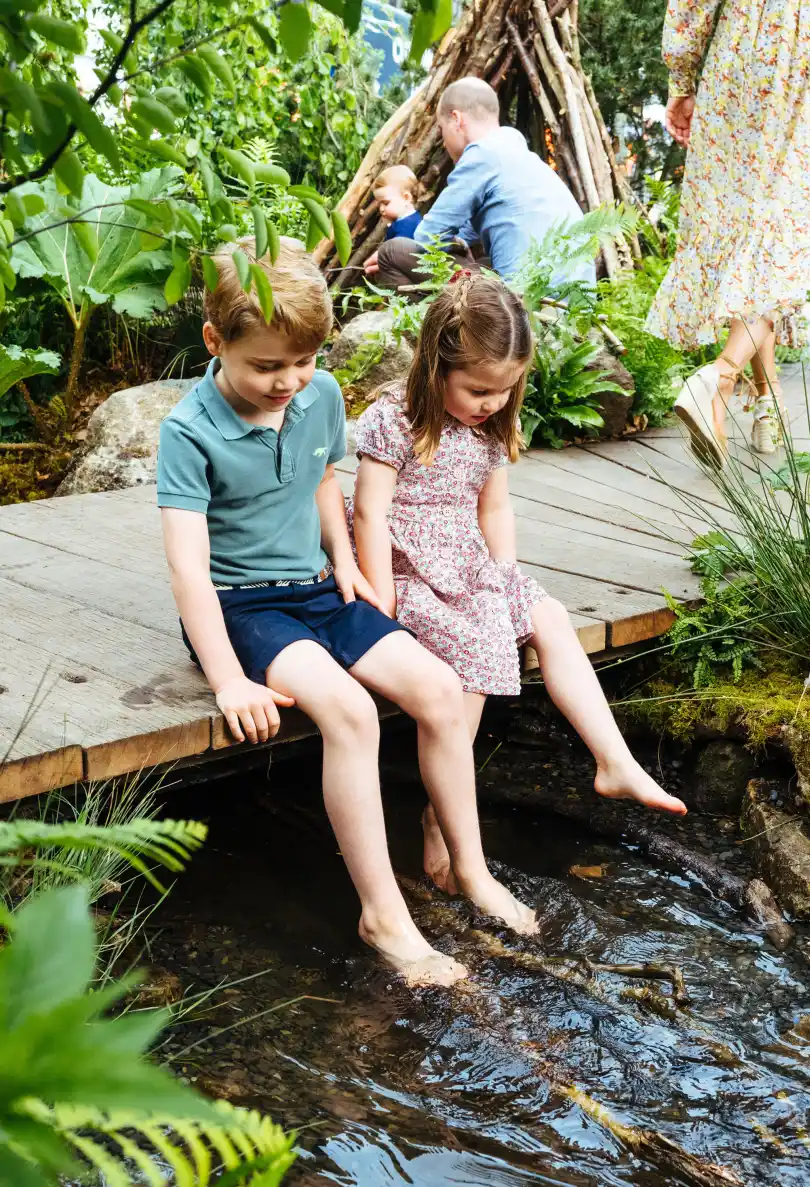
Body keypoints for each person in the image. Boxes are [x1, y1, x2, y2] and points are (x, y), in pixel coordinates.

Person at [156, 238, 537, 988]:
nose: (287, 382)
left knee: (435, 688)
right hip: (241, 609)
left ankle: (471, 865)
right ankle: (384, 914)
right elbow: (187, 569)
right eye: (266, 366)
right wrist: (231, 679)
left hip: (321, 589)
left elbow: (325, 483)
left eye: (301, 363)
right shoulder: (188, 431)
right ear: (215, 341)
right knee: (352, 713)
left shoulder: (318, 394)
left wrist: (349, 563)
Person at [350, 273, 687, 888]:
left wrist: (505, 576)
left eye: (505, 391)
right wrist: (382, 601)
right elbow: (370, 512)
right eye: (479, 389)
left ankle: (614, 760)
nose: (492, 403)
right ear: (434, 367)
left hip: (470, 560)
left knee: (548, 617)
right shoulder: (394, 419)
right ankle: (440, 819)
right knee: (478, 655)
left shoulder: (491, 424)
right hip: (407, 565)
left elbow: (493, 508)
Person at [647, 0, 810, 464]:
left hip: (737, 52)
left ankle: (768, 398)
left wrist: (681, 79)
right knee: (781, 233)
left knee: (752, 233)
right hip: (806, 57)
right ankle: (717, 379)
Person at [369, 76, 594, 291]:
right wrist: (458, 243)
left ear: (457, 120)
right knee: (484, 262)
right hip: (570, 299)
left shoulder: (481, 155)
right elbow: (466, 232)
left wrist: (399, 253)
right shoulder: (513, 151)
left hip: (525, 301)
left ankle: (424, 328)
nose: (443, 141)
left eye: (442, 129)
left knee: (392, 251)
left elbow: (427, 237)